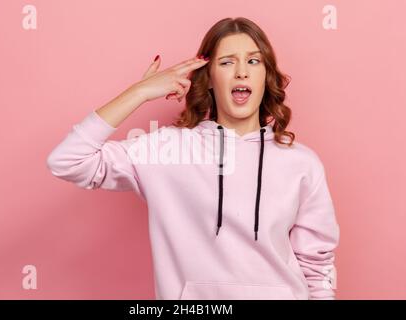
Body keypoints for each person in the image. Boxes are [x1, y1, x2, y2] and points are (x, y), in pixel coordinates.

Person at [46, 17, 340, 300]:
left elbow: (317, 266)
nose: (241, 72)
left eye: (253, 61)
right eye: (226, 63)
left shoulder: (302, 163)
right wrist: (140, 92)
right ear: (209, 78)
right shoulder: (167, 150)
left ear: (266, 75)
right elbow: (68, 160)